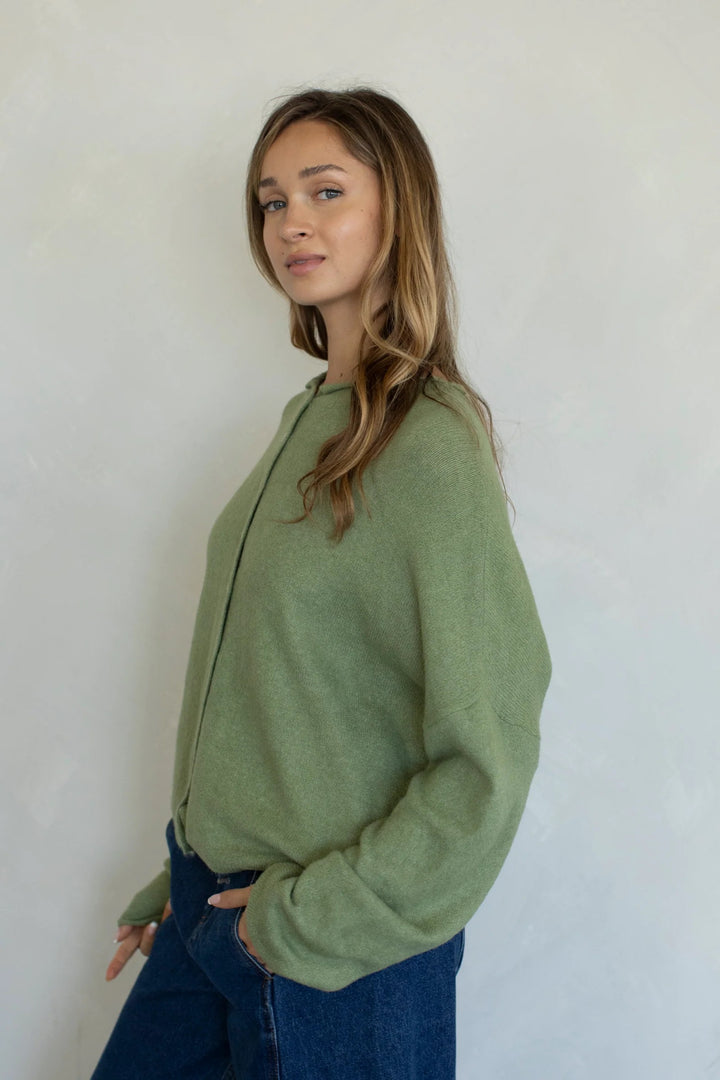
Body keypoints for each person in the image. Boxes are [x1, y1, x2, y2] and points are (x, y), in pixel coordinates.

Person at [91, 85, 552, 1079]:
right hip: (217, 913)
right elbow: (295, 691)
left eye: (325, 190)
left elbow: (489, 755)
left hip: (334, 959)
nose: (290, 221)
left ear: (399, 210)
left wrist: (311, 916)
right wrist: (185, 874)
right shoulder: (308, 418)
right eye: (271, 200)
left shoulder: (429, 442)